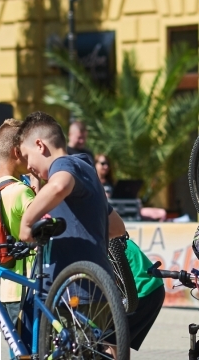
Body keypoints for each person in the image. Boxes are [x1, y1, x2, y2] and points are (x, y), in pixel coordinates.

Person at [16, 112, 126, 286]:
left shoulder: (63, 164)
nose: (28, 166)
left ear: (40, 145)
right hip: (96, 286)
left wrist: (27, 222)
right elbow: (117, 226)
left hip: (72, 291)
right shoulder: (86, 169)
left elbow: (59, 186)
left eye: (27, 156)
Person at [0, 119, 37, 323]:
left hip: (4, 287)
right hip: (26, 286)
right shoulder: (21, 192)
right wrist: (37, 184)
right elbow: (46, 228)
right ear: (17, 152)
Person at [123, 239, 166, 352]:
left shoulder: (108, 245)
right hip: (156, 288)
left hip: (142, 292)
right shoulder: (123, 241)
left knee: (110, 338)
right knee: (119, 339)